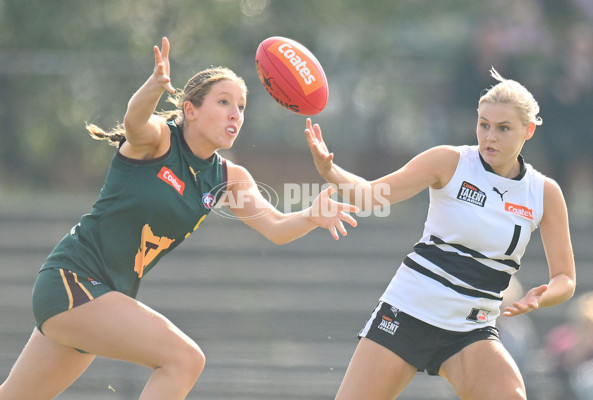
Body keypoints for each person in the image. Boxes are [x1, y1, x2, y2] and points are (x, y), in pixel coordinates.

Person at [0, 37, 358, 400]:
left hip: (102, 296)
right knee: (185, 360)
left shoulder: (229, 178)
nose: (235, 113)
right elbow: (134, 121)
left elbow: (277, 227)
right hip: (72, 281)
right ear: (190, 110)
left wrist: (311, 215)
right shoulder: (159, 140)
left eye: (241, 106)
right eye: (223, 102)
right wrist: (153, 87)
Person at [305, 68, 576, 400]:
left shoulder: (543, 193)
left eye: (503, 128)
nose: (490, 137)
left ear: (528, 130)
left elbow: (565, 278)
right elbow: (370, 195)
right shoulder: (449, 162)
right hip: (409, 312)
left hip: (470, 329)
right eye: (484, 125)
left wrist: (542, 296)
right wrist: (329, 170)